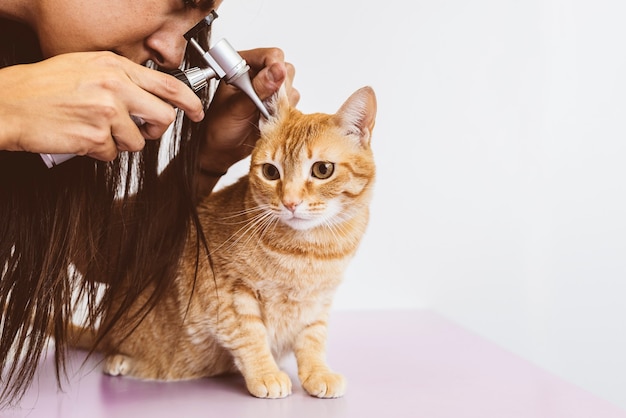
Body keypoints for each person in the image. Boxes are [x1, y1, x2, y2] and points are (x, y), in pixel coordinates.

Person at [0, 0, 299, 407]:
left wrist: (206, 160)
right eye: (181, 2)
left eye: (198, 22)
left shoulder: (40, 56)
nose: (174, 52)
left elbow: (101, 260)